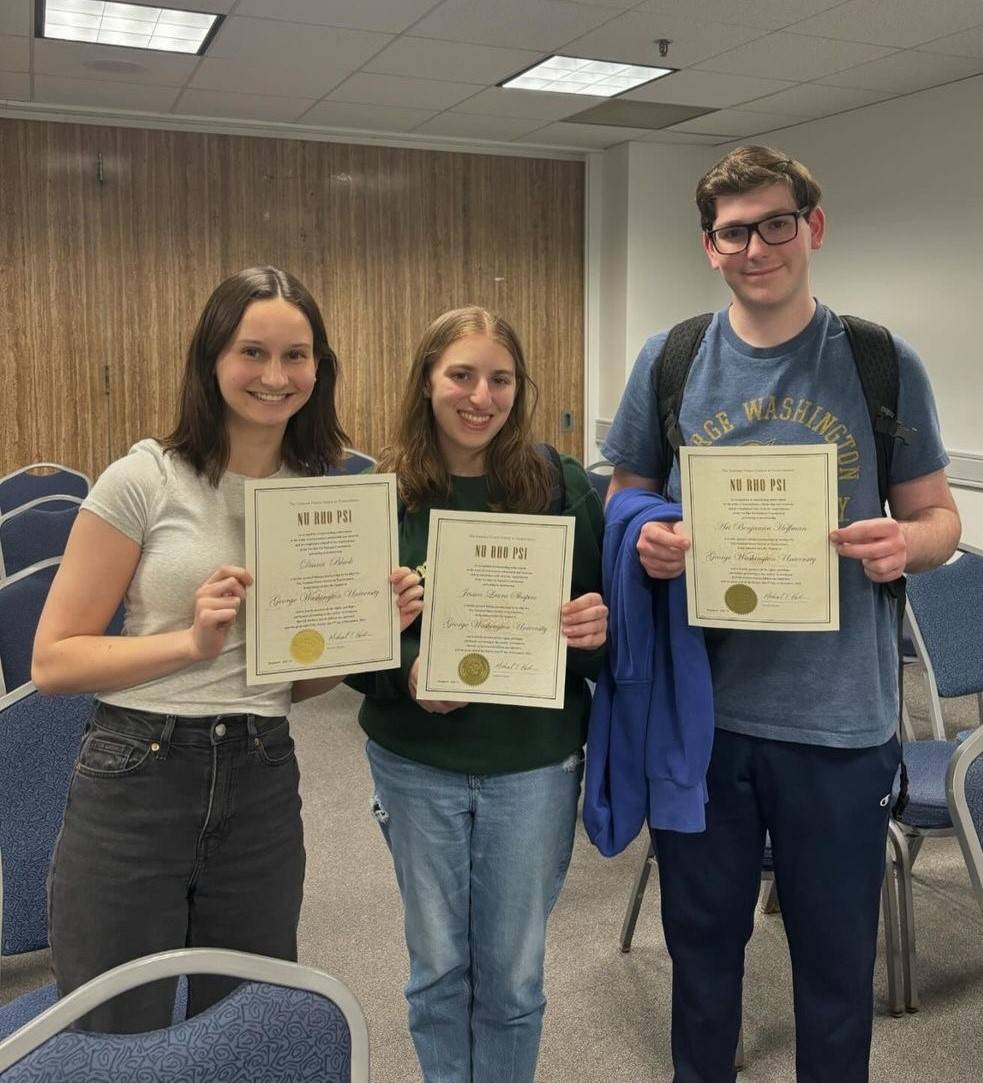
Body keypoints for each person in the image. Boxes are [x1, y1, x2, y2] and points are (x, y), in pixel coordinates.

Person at [601, 147, 961, 1082]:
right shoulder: (672, 358)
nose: (757, 245)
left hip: (838, 724)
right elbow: (624, 495)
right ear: (709, 247)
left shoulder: (880, 360)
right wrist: (647, 537)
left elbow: (938, 516)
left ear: (813, 225)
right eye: (734, 230)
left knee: (837, 975)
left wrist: (903, 545)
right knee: (703, 963)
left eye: (775, 223)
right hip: (701, 720)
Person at [32, 266, 423, 1033]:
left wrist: (364, 629)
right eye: (252, 352)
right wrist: (190, 639)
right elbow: (54, 661)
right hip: (136, 770)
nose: (275, 376)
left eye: (296, 355)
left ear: (319, 368)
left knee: (244, 1026)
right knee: (114, 1027)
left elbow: (292, 682)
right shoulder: (144, 478)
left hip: (261, 766)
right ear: (211, 359)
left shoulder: (323, 493)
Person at [348, 307, 607, 1083]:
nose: (480, 395)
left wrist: (596, 626)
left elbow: (606, 632)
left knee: (513, 978)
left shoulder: (556, 484)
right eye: (460, 374)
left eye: (499, 378)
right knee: (435, 969)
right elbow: (346, 652)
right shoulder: (382, 495)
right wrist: (404, 670)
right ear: (427, 381)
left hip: (532, 764)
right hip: (414, 761)